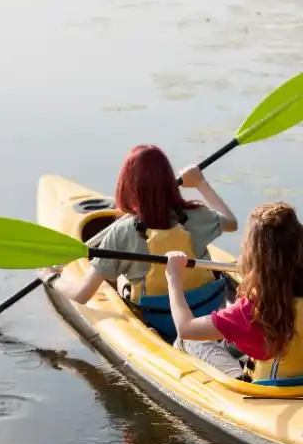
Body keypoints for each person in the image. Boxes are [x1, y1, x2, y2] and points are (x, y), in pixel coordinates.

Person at [163, 201, 303, 385]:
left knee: (190, 342)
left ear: (253, 254)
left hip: (275, 387)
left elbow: (185, 329)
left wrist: (173, 278)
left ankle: (235, 374)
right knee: (236, 339)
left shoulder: (254, 308)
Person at [44, 144, 238, 340]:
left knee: (119, 278)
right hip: (207, 314)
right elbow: (231, 222)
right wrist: (200, 183)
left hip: (159, 323)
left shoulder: (122, 232)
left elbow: (82, 294)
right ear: (170, 181)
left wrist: (52, 278)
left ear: (127, 186)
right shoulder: (197, 215)